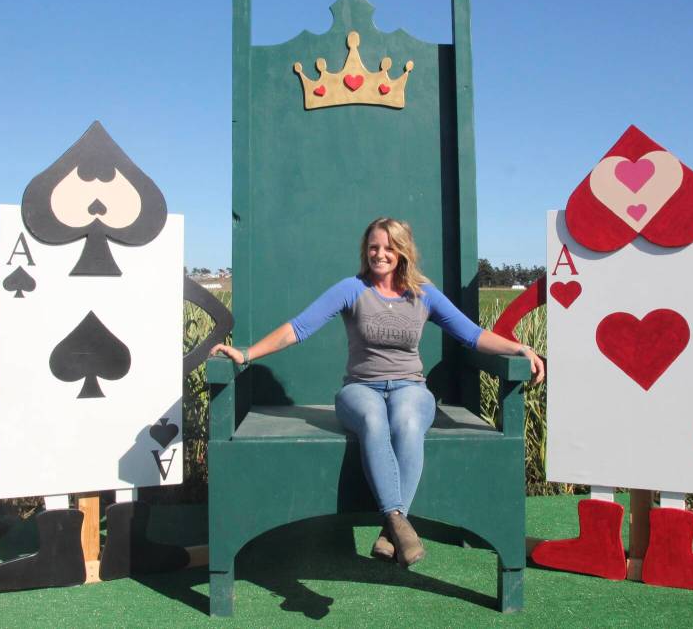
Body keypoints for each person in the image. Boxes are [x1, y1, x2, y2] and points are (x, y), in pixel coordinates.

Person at [211, 217, 545, 567]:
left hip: (410, 386)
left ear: (402, 252)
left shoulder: (423, 294)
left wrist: (518, 348)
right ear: (365, 250)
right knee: (373, 420)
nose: (380, 254)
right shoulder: (351, 289)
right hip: (359, 389)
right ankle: (398, 522)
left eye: (388, 247)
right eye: (373, 247)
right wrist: (246, 353)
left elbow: (472, 334)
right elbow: (299, 327)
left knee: (408, 421)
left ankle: (392, 527)